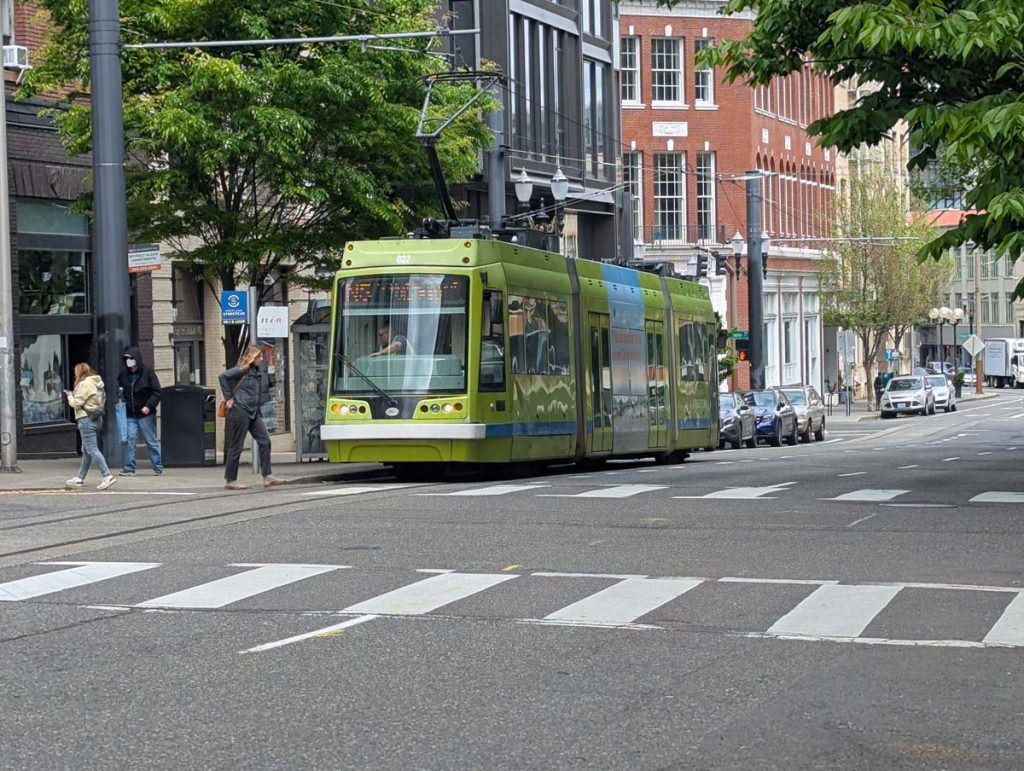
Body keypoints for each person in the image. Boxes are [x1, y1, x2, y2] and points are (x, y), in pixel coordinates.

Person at [219, 343, 281, 490]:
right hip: (240, 410)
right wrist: (229, 398)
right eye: (259, 356)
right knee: (237, 445)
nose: (261, 359)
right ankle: (230, 480)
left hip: (253, 411)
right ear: (252, 357)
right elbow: (223, 377)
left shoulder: (256, 371)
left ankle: (267, 476)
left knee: (265, 441)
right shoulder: (243, 369)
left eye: (261, 356)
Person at [64, 363, 117, 491]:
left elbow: (77, 404)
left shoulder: (84, 384)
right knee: (86, 450)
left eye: (75, 372)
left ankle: (107, 475)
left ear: (80, 372)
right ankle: (79, 478)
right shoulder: (97, 383)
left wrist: (70, 396)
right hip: (96, 418)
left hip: (86, 419)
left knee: (92, 449)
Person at [116, 346, 163, 476]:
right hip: (131, 413)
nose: (129, 361)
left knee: (150, 440)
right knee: (130, 440)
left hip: (146, 413)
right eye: (126, 359)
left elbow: (157, 391)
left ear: (137, 359)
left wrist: (148, 405)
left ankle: (157, 465)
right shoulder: (123, 375)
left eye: (131, 359)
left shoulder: (148, 372)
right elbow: (120, 390)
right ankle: (129, 468)